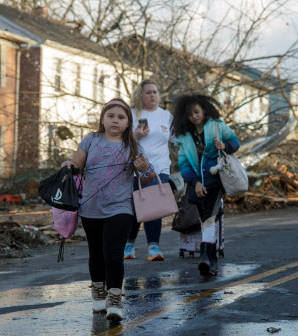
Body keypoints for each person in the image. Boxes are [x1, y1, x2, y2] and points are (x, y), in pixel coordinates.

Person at [61, 98, 154, 321]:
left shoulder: (132, 145)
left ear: (128, 123)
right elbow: (77, 165)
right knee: (97, 253)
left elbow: (148, 176)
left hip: (121, 207)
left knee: (113, 253)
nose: (115, 121)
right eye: (111, 116)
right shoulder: (91, 140)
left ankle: (114, 299)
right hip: (90, 207)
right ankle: (98, 292)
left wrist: (144, 168)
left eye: (121, 117)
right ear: (102, 119)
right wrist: (68, 166)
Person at [171, 94, 240, 276]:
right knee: (205, 220)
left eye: (196, 112)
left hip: (216, 182)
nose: (194, 116)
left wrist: (224, 145)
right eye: (190, 114)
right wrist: (195, 183)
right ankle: (212, 262)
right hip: (197, 185)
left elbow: (236, 143)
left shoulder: (217, 126)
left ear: (203, 110)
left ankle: (204, 256)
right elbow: (184, 165)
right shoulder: (184, 137)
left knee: (209, 218)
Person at [123, 79, 173, 262]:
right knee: (137, 206)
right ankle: (129, 244)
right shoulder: (131, 114)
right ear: (140, 95)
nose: (153, 95)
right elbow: (120, 139)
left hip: (160, 167)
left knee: (154, 204)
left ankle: (153, 246)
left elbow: (176, 138)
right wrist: (135, 136)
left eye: (155, 92)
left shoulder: (166, 116)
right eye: (148, 92)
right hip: (136, 166)